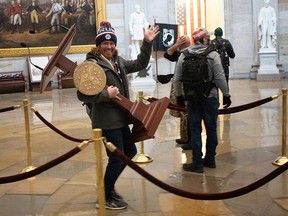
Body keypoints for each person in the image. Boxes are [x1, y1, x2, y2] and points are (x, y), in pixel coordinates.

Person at [77, 21, 159, 210]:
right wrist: (107, 94)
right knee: (117, 157)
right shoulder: (91, 65)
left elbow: (140, 63)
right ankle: (104, 196)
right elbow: (82, 94)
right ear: (98, 45)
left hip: (121, 117)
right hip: (106, 120)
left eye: (111, 43)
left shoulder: (118, 61)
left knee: (129, 152)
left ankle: (108, 188)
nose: (109, 46)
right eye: (104, 43)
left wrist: (147, 43)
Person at [174, 27, 231, 173]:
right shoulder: (213, 55)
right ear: (203, 39)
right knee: (212, 130)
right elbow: (219, 77)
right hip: (210, 98)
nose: (209, 39)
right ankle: (210, 160)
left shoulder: (184, 55)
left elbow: (177, 79)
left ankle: (197, 163)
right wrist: (226, 94)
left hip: (192, 99)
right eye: (207, 37)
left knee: (195, 130)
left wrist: (179, 96)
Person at [163, 35, 192, 149]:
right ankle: (184, 137)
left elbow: (168, 53)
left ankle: (189, 139)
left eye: (178, 41)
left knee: (186, 113)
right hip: (181, 86)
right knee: (183, 113)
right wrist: (177, 45)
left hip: (185, 88)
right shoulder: (181, 53)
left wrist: (177, 45)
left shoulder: (187, 53)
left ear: (182, 44)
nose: (176, 42)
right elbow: (167, 54)